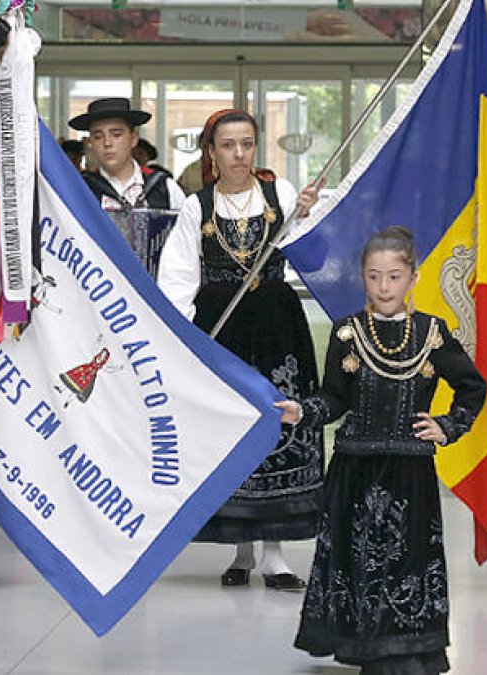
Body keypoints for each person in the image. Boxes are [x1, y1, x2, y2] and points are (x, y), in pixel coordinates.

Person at [280, 226, 487, 675]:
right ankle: (366, 646)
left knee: (408, 558)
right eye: (374, 277)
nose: (384, 287)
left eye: (393, 277)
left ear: (412, 278)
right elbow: (334, 397)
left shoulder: (432, 334)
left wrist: (448, 425)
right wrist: (304, 410)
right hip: (354, 467)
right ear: (362, 278)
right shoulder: (346, 334)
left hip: (409, 470)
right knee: (358, 560)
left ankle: (408, 646)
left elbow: (473, 386)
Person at [156, 109, 321, 590]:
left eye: (247, 144)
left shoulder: (282, 196)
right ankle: (241, 550)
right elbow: (179, 277)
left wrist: (308, 216)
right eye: (228, 146)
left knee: (278, 420)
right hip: (221, 329)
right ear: (211, 152)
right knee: (230, 429)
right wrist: (187, 341)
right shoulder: (196, 206)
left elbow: (313, 253)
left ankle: (275, 552)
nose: (239, 154)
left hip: (276, 324)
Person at [67, 97, 185, 214]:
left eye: (117, 135)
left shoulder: (166, 188)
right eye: (98, 137)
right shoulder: (80, 190)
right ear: (91, 142)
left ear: (133, 139)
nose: (107, 143)